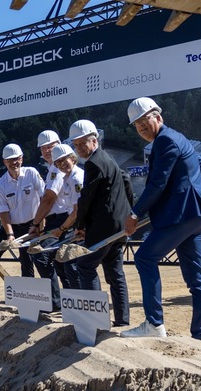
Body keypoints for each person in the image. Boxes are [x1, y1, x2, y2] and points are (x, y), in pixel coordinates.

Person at [121, 97, 201, 340]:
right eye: (137, 126)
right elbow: (200, 164)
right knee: (196, 279)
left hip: (182, 217)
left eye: (145, 122)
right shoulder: (176, 137)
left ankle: (154, 324)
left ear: (158, 117)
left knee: (144, 258)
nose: (141, 128)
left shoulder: (165, 141)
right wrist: (190, 186)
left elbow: (157, 184)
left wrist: (134, 214)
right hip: (195, 216)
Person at [68, 119, 134, 327]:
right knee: (115, 272)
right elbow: (126, 181)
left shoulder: (94, 163)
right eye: (75, 145)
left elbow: (86, 197)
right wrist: (127, 212)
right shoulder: (108, 159)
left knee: (85, 265)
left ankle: (96, 321)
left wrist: (80, 225)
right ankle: (122, 320)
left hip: (103, 228)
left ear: (94, 141)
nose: (78, 148)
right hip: (119, 227)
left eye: (82, 143)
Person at [0, 143, 44, 277]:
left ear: (22, 158)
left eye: (16, 158)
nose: (14, 162)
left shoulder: (32, 173)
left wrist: (40, 224)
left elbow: (43, 199)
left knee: (27, 259)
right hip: (11, 227)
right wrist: (10, 235)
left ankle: (27, 293)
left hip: (32, 225)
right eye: (10, 160)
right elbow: (3, 212)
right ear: (4, 161)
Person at [28, 130, 70, 308]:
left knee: (43, 257)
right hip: (57, 220)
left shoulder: (56, 170)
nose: (46, 151)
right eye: (43, 148)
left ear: (59, 145)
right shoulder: (52, 169)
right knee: (61, 262)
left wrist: (36, 223)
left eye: (50, 147)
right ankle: (67, 301)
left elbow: (49, 199)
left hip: (63, 220)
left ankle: (57, 302)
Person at [46, 144, 84, 290]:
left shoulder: (76, 178)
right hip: (75, 226)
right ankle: (75, 302)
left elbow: (77, 211)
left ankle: (81, 302)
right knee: (69, 264)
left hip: (81, 227)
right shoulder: (67, 178)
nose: (62, 164)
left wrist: (61, 229)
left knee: (73, 264)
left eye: (64, 159)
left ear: (72, 158)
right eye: (58, 162)